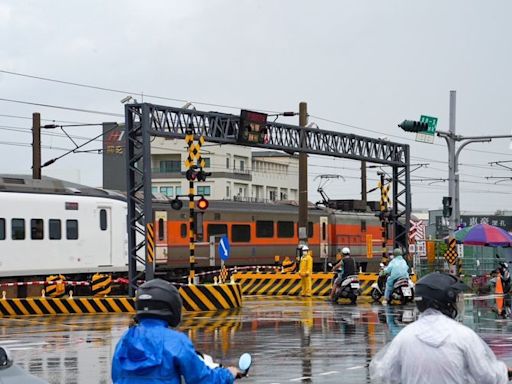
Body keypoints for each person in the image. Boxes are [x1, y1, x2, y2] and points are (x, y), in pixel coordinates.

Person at [370, 271, 512, 384]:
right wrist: (502, 371)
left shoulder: (404, 337)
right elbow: (487, 377)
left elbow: (383, 374)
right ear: (447, 301)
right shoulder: (463, 336)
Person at [112, 279, 241, 383]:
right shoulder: (175, 341)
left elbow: (116, 377)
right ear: (171, 305)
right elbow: (202, 379)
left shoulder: (125, 339)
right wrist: (229, 374)